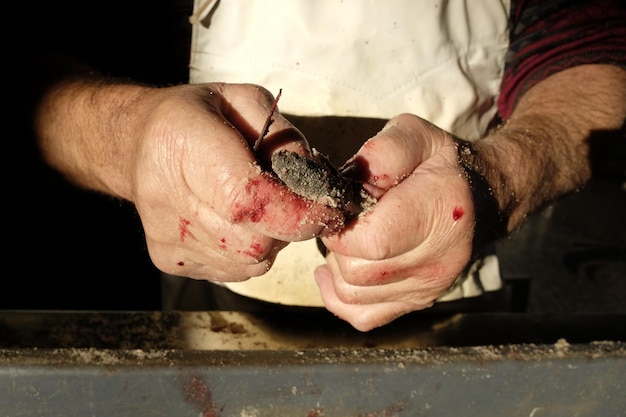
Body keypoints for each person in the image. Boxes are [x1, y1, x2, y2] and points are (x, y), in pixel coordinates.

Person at [7, 0, 625, 331]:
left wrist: (503, 176)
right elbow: (34, 66)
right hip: (211, 305)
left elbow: (596, 38)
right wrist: (131, 137)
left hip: (461, 299)